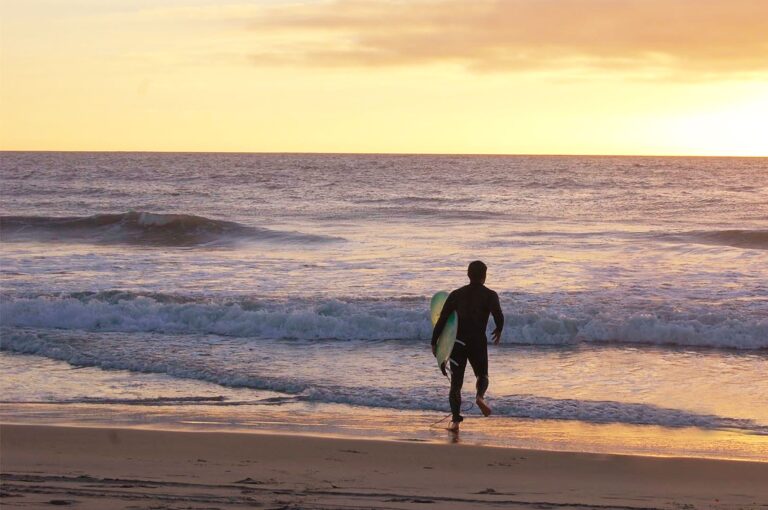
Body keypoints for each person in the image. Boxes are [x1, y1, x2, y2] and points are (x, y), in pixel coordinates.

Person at [431, 260, 504, 432]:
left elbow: (442, 320)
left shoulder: (456, 294)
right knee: (482, 375)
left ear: (468, 274)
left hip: (458, 343)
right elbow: (498, 315)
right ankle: (479, 396)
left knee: (455, 385)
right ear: (484, 276)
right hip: (477, 342)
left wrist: (435, 342)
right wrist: (499, 329)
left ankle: (455, 422)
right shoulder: (490, 295)